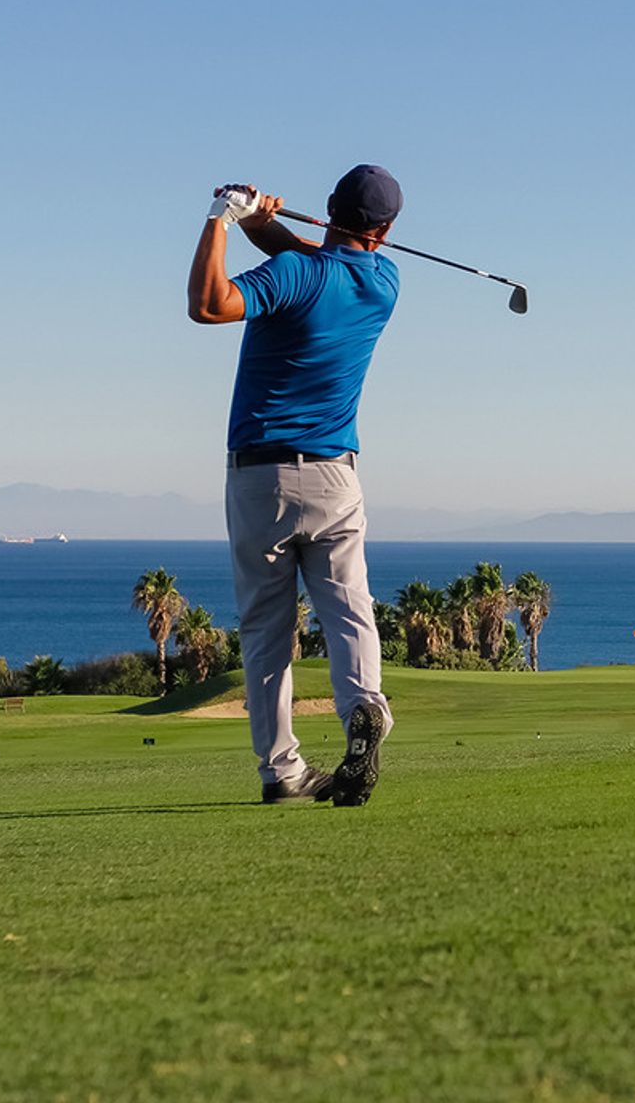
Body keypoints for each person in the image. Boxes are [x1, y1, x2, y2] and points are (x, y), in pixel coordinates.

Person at [187, 165, 402, 805]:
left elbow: (208, 305)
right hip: (336, 476)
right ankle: (365, 706)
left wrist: (219, 219)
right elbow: (319, 263)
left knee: (267, 631)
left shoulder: (293, 275)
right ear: (386, 231)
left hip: (262, 476)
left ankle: (282, 771)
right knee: (348, 607)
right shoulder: (384, 282)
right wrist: (261, 224)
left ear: (330, 207)